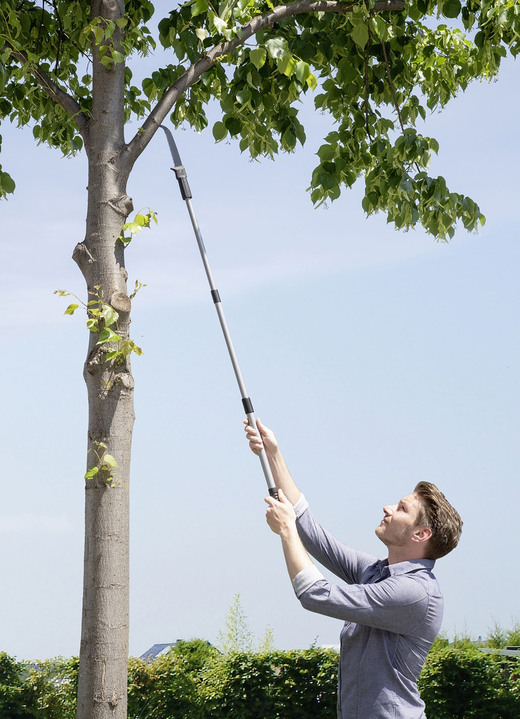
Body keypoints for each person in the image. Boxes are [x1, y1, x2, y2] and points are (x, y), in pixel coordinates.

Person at [244, 418, 463, 719]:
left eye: (401, 508)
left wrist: (286, 531)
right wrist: (273, 454)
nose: (387, 508)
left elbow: (315, 594)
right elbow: (313, 535)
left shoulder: (414, 592)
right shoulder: (376, 573)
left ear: (420, 534)